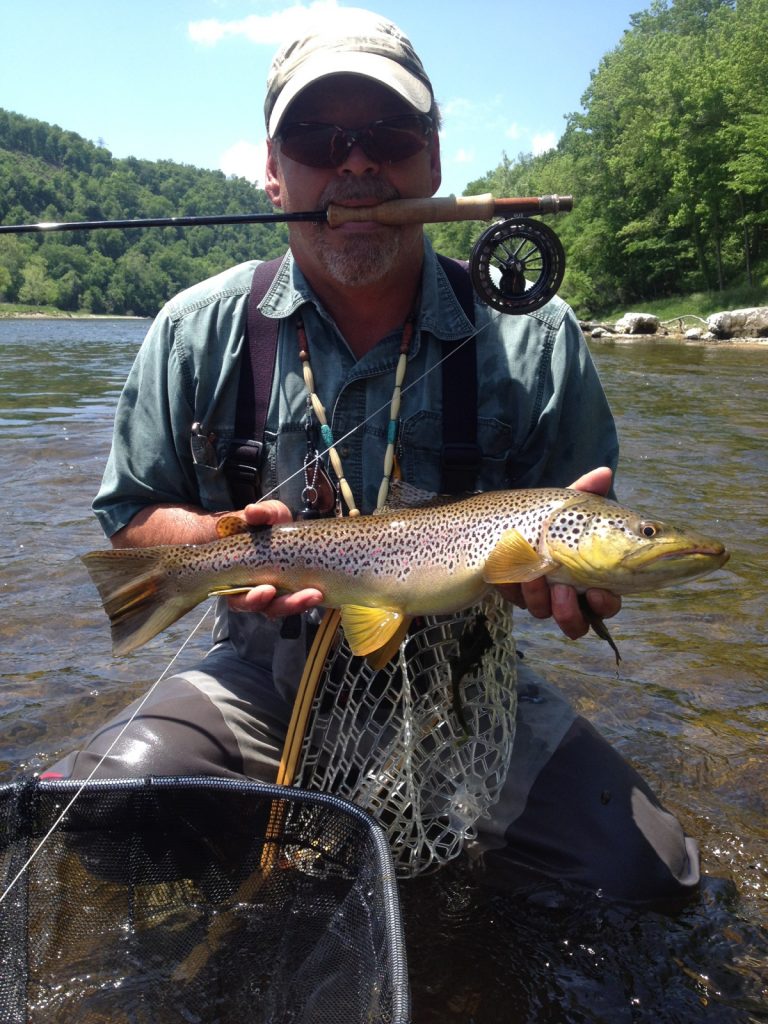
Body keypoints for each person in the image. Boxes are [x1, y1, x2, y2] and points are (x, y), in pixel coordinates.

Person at [47, 9, 698, 904]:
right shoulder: (197, 331)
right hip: (256, 670)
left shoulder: (534, 339)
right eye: (318, 138)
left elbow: (591, 551)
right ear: (274, 173)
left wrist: (573, 588)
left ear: (432, 160)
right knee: (105, 804)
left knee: (646, 877)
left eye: (387, 135)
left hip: (463, 693)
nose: (355, 164)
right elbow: (129, 520)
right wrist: (219, 540)